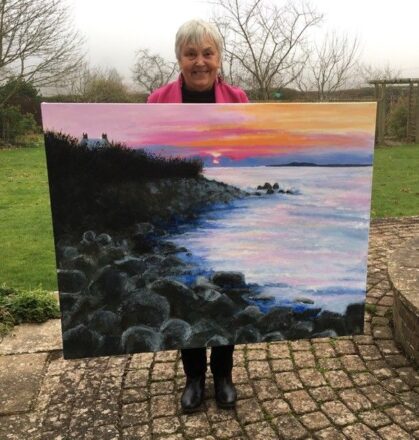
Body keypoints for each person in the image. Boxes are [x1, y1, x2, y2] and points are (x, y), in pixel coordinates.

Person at [147, 19, 248, 412]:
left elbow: (244, 148)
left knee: (224, 284)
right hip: (176, 203)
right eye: (191, 54)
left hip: (225, 211)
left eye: (208, 53)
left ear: (219, 57)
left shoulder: (238, 98)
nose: (200, 61)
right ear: (179, 58)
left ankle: (223, 374)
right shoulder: (158, 100)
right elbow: (151, 151)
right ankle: (193, 377)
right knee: (184, 280)